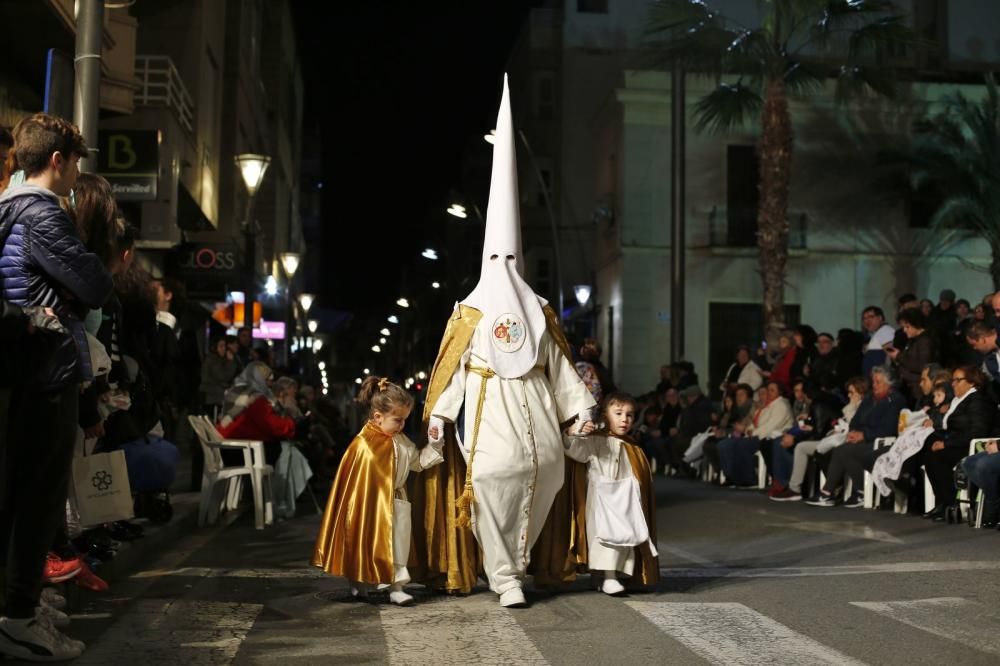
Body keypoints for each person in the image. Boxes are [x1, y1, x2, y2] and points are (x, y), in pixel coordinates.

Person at [415, 77, 596, 607]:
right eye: (498, 259)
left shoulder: (539, 308)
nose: (505, 267)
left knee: (549, 472)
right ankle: (501, 572)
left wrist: (578, 411)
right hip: (489, 401)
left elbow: (559, 366)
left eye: (511, 260)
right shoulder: (468, 310)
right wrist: (441, 413)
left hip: (536, 400)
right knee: (493, 475)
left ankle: (519, 563)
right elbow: (450, 370)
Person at [0, 113, 112, 660]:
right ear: (58, 161)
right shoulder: (43, 214)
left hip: (25, 366)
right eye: (74, 164)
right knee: (36, 498)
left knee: (20, 492)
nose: (75, 175)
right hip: (46, 368)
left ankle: (17, 608)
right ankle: (18, 617)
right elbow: (94, 284)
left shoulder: (11, 206)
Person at [312, 377, 443, 605]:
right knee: (364, 541)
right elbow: (355, 481)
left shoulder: (401, 441)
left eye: (404, 420)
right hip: (369, 505)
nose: (402, 425)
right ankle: (359, 582)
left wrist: (435, 445)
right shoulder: (363, 444)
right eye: (397, 420)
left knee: (397, 545)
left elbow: (418, 463)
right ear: (378, 417)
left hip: (396, 501)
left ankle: (395, 586)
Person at [562, 393, 658, 595]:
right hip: (601, 500)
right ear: (605, 416)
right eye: (618, 413)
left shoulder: (632, 445)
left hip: (625, 500)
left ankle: (610, 575)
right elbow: (576, 451)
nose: (625, 419)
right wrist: (573, 433)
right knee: (604, 538)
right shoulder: (597, 441)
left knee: (624, 536)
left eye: (630, 415)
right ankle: (608, 577)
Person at [807, 366, 904, 508]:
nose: (874, 385)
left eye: (878, 382)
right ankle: (859, 491)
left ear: (889, 384)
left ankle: (828, 493)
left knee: (844, 451)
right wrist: (854, 433)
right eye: (874, 382)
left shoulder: (895, 400)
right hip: (861, 439)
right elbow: (855, 421)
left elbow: (889, 429)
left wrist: (864, 435)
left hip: (880, 442)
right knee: (841, 449)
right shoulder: (870, 398)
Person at [922, 366, 995, 521]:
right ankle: (942, 502)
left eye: (957, 380)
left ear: (970, 382)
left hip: (969, 445)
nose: (953, 383)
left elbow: (977, 432)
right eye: (953, 380)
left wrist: (947, 444)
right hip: (956, 441)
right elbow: (949, 425)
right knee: (929, 453)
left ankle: (950, 503)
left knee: (939, 457)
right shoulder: (957, 400)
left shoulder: (978, 400)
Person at [718, 381, 793, 487]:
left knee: (741, 445)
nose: (769, 393)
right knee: (724, 444)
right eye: (768, 390)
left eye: (772, 390)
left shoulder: (781, 405)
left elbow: (771, 426)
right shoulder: (767, 406)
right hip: (757, 435)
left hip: (767, 437)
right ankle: (732, 477)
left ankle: (748, 479)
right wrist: (748, 429)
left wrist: (751, 432)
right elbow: (755, 422)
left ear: (780, 392)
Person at [886, 309, 936, 404]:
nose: (904, 330)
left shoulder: (925, 341)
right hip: (909, 388)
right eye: (903, 327)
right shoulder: (913, 340)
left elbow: (923, 366)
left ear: (916, 324)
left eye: (907, 327)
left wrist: (899, 356)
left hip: (917, 390)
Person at [199, 334, 239, 416]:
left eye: (225, 346)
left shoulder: (219, 359)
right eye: (221, 346)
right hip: (213, 397)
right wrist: (230, 362)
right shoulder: (212, 359)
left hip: (217, 396)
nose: (224, 349)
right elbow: (222, 376)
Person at [861, 306, 895, 376]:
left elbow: (891, 355)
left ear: (880, 318)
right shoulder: (878, 333)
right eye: (864, 318)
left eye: (871, 317)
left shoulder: (885, 330)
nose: (867, 320)